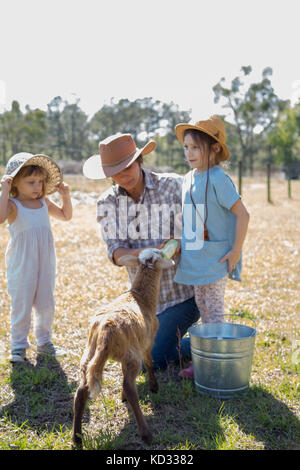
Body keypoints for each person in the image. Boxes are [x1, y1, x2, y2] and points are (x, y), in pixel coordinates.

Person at [83, 133, 200, 370]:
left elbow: (196, 230)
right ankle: (189, 341)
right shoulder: (108, 203)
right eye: (114, 171)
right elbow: (116, 253)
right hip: (144, 302)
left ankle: (202, 343)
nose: (122, 175)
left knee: (150, 362)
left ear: (139, 161)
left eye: (127, 167)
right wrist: (152, 253)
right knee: (136, 356)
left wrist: (179, 242)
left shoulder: (173, 186)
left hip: (184, 295)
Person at [173, 115, 250, 377]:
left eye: (195, 147)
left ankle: (216, 364)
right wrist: (179, 240)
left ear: (214, 148)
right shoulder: (187, 178)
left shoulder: (219, 178)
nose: (189, 153)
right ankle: (204, 360)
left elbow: (243, 214)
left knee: (214, 310)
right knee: (202, 307)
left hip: (216, 258)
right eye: (186, 147)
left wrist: (235, 251)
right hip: (196, 257)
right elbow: (190, 217)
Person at [0, 152, 73, 363]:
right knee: (21, 303)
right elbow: (1, 218)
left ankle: (44, 342)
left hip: (45, 262)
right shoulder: (13, 205)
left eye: (40, 182)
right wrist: (4, 191)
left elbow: (65, 216)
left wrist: (66, 196)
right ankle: (18, 346)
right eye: (31, 182)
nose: (37, 187)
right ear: (15, 183)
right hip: (22, 263)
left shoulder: (43, 202)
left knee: (45, 303)